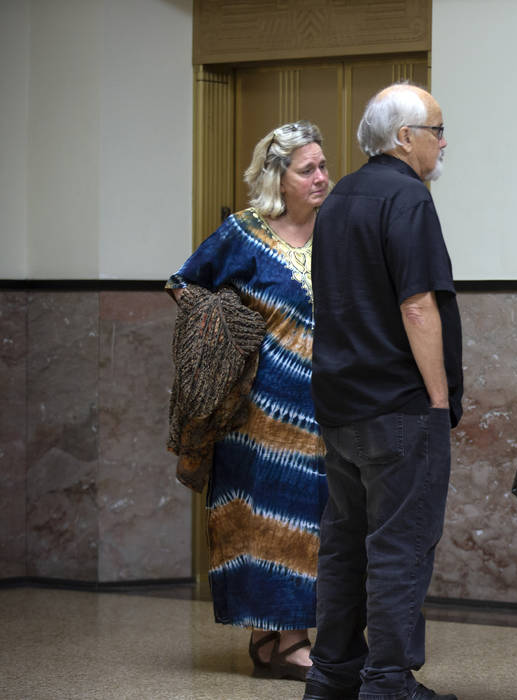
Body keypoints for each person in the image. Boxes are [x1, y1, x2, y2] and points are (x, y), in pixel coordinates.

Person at [306, 83, 462, 700]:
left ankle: (331, 675)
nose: (443, 143)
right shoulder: (409, 198)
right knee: (400, 546)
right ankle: (388, 682)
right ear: (405, 138)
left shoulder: (339, 196)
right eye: (437, 130)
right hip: (399, 407)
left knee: (343, 544)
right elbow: (418, 306)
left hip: (341, 404)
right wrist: (440, 398)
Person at [166, 120, 331, 680]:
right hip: (252, 410)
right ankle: (285, 642)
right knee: (264, 520)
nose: (321, 177)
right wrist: (223, 328)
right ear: (277, 177)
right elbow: (184, 283)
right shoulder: (242, 232)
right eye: (308, 168)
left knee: (307, 521)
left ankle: (275, 640)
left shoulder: (336, 231)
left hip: (322, 408)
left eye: (324, 166)